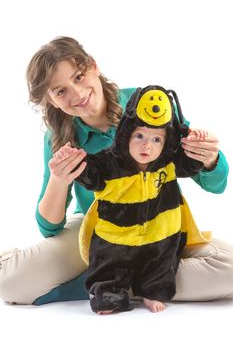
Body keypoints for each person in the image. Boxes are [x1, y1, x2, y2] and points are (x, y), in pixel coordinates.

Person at [0, 36, 232, 306]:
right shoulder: (59, 137)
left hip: (158, 225)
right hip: (99, 229)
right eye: (60, 91)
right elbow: (50, 227)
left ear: (94, 66)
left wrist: (209, 158)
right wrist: (58, 180)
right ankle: (121, 279)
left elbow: (216, 185)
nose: (77, 94)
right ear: (51, 101)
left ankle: (110, 284)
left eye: (78, 77)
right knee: (10, 283)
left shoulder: (147, 104)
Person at [53, 85, 210, 314]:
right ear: (126, 133)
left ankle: (151, 291)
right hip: (116, 241)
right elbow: (89, 173)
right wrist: (72, 160)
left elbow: (192, 163)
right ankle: (108, 293)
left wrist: (197, 143)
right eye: (139, 135)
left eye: (157, 139)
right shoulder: (110, 161)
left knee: (162, 266)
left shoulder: (168, 162)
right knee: (108, 269)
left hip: (160, 237)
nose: (147, 145)